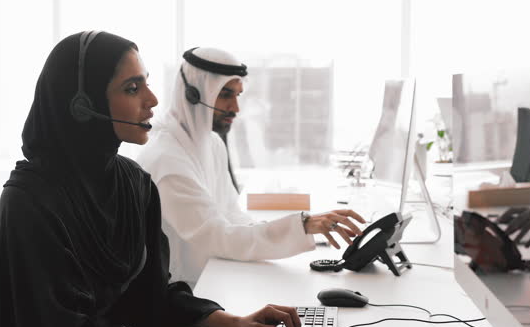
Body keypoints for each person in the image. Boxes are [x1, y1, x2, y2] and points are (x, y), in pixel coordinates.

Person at [0, 32, 302, 327]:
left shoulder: (133, 184)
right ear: (83, 105)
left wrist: (232, 323)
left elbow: (152, 296)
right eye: (131, 88)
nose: (152, 100)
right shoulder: (30, 202)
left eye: (147, 84)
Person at [136, 47, 366, 285]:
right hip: (185, 296)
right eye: (225, 94)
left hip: (215, 278)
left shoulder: (211, 142)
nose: (236, 108)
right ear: (194, 94)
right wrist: (301, 225)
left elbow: (232, 215)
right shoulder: (167, 159)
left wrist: (301, 229)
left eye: (237, 95)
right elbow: (217, 235)